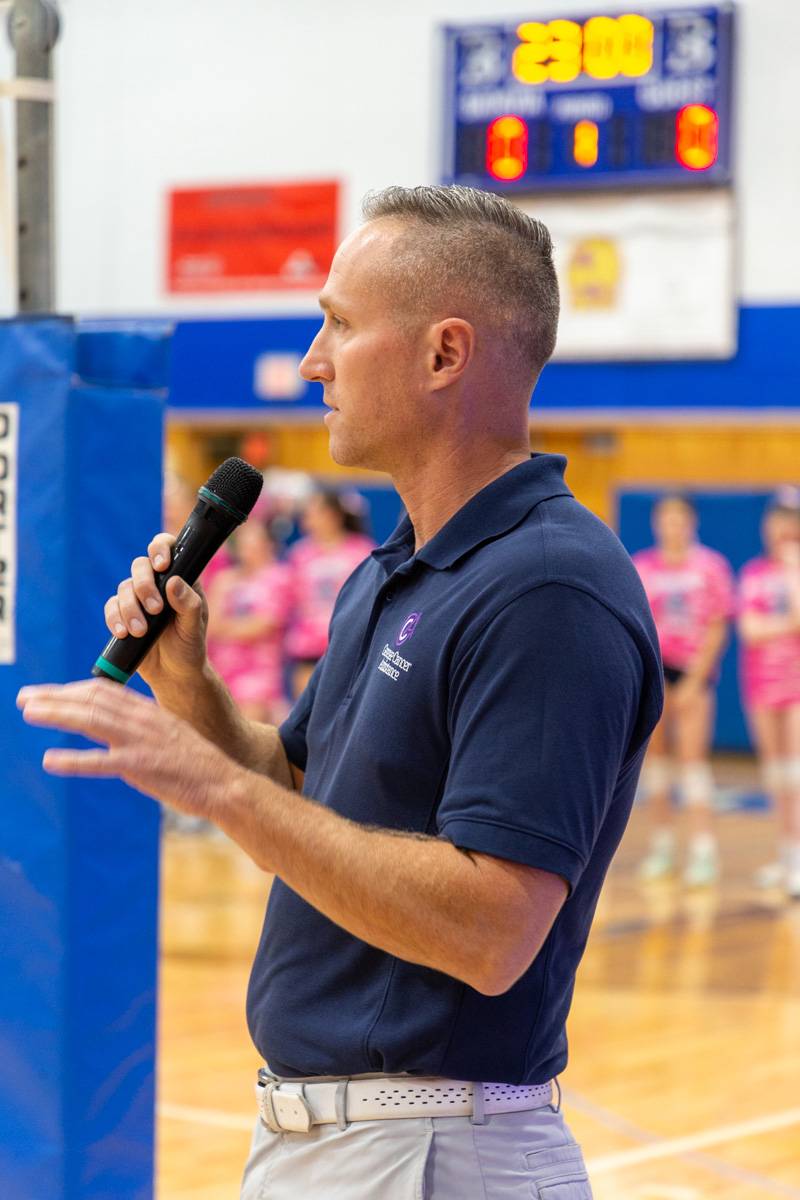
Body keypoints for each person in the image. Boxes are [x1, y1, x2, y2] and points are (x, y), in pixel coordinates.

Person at [18, 184, 663, 1200]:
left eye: (338, 323)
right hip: (337, 1140)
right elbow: (295, 781)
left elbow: (492, 931)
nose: (312, 358)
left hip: (428, 1151)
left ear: (442, 354)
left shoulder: (546, 587)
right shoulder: (393, 569)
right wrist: (188, 685)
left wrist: (218, 793)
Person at [632, 495, 735, 886]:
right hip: (656, 671)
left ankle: (702, 851)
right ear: (657, 524)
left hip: (694, 672)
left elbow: (717, 625)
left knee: (692, 761)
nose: (672, 526)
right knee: (657, 763)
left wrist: (695, 678)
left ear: (691, 523)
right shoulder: (642, 566)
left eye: (679, 519)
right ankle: (662, 847)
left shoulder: (710, 567)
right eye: (665, 519)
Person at [737, 489, 800, 897]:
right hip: (761, 684)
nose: (782, 528)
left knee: (796, 774)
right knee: (775, 775)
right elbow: (749, 630)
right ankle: (786, 855)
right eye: (776, 520)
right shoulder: (755, 573)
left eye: (790, 521)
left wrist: (793, 572)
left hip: (796, 687)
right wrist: (786, 625)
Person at [285, 487, 375, 698]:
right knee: (305, 711)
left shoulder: (360, 549)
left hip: (348, 641)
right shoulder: (300, 553)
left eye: (313, 513)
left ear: (333, 515)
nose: (307, 520)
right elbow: (292, 598)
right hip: (308, 643)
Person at [206, 520, 293, 726]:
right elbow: (210, 625)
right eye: (244, 545)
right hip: (222, 669)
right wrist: (234, 627)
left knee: (250, 730)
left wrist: (226, 627)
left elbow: (264, 624)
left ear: (269, 545)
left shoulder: (279, 577)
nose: (248, 551)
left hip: (259, 673)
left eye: (254, 545)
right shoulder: (224, 579)